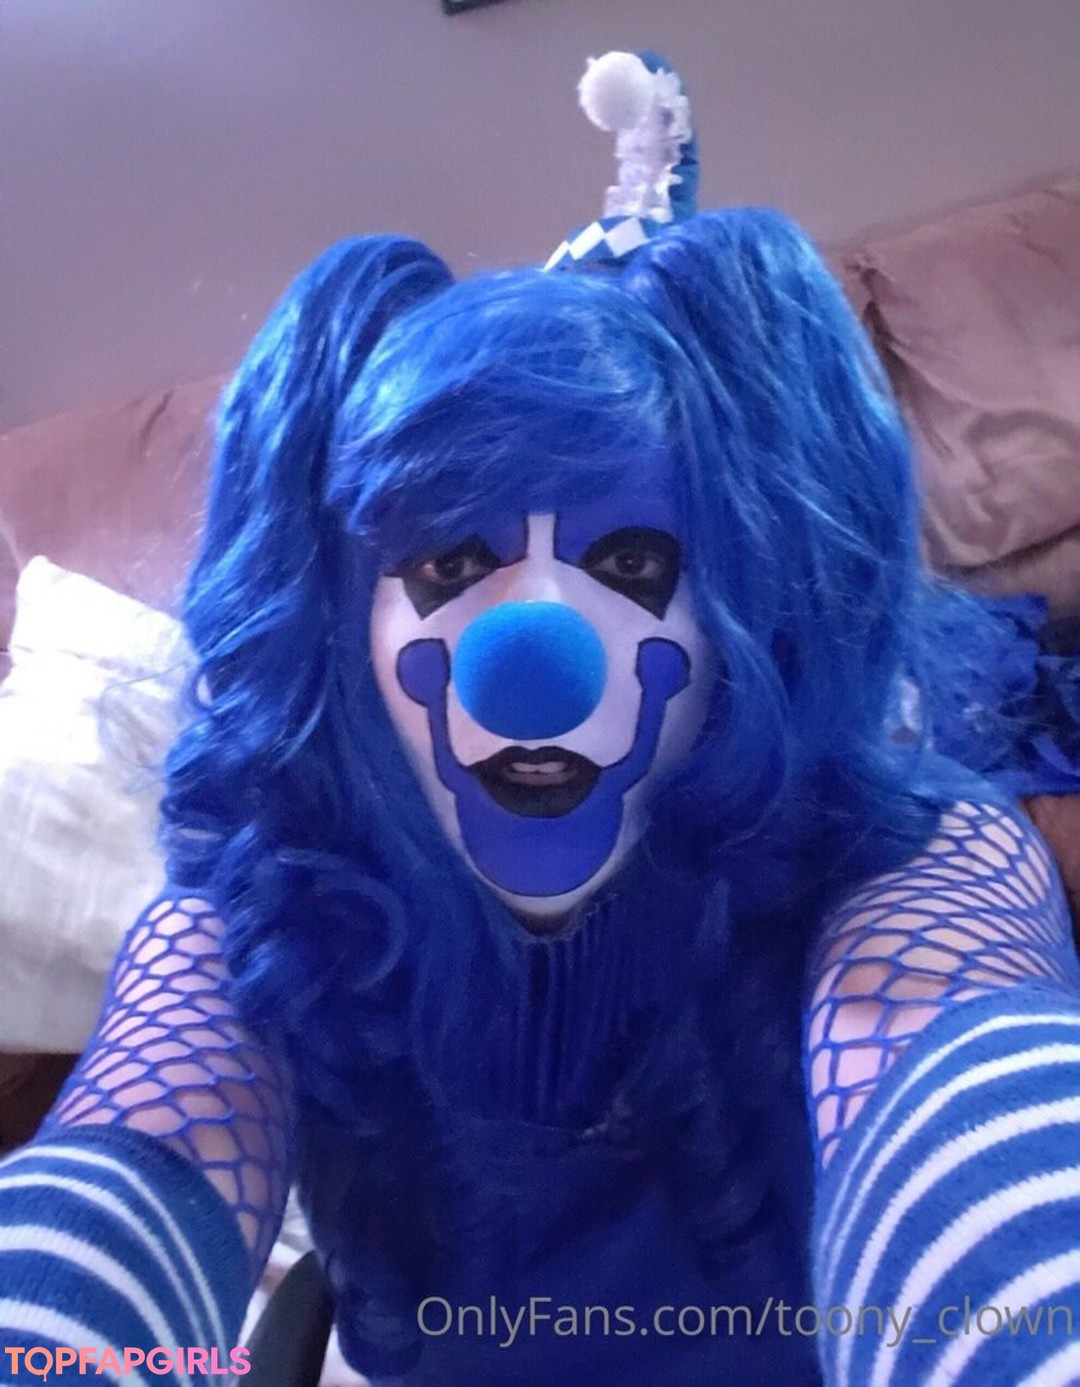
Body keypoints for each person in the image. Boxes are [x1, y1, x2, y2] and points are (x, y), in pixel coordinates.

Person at [2, 50, 1080, 1387]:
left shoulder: (913, 864)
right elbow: (135, 1151)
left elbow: (958, 1085)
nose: (533, 660)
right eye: (449, 563)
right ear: (339, 616)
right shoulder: (271, 913)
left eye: (631, 562)